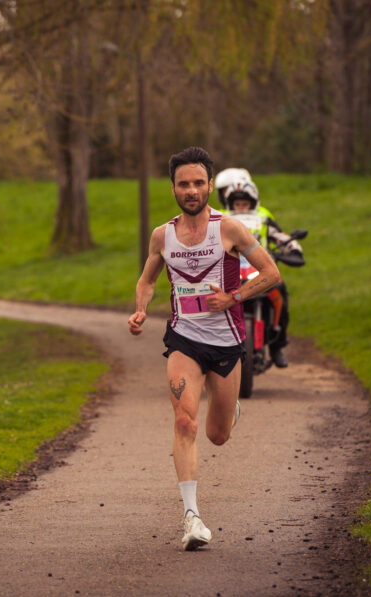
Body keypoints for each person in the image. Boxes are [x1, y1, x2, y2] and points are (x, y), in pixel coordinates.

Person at [128, 147, 282, 550]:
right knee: (185, 423)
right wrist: (141, 309)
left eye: (198, 183)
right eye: (184, 184)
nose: (192, 190)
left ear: (210, 185)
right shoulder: (162, 236)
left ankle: (229, 411)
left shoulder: (229, 229)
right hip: (184, 339)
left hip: (227, 342)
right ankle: (191, 518)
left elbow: (271, 273)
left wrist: (233, 297)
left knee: (217, 435)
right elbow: (147, 279)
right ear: (173, 188)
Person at [214, 168, 303, 368]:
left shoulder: (264, 216)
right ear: (229, 203)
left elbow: (280, 236)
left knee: (281, 292)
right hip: (230, 272)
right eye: (237, 204)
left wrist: (294, 249)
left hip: (261, 271)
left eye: (245, 204)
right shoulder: (220, 218)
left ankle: (278, 345)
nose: (241, 208)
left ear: (253, 203)